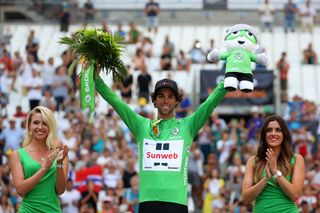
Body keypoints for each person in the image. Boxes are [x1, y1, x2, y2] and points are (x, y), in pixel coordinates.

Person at [95, 76, 227, 212]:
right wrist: (96, 80)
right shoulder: (142, 126)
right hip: (148, 202)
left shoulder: (188, 126)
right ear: (154, 100)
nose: (165, 100)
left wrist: (225, 83)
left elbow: (209, 104)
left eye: (170, 96)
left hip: (177, 202)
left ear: (177, 101)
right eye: (161, 96)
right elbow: (117, 102)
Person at [9, 106, 69, 212]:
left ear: (50, 127)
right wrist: (44, 168)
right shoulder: (17, 155)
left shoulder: (60, 155)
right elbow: (21, 190)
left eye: (45, 123)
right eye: (36, 123)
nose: (40, 127)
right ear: (29, 125)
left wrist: (59, 164)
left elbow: (60, 190)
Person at [242, 115, 305, 212]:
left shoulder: (297, 159)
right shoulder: (253, 161)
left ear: (284, 134)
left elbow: (295, 195)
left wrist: (276, 172)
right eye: (269, 130)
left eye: (278, 130)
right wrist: (265, 179)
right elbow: (246, 198)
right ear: (264, 135)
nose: (273, 133)